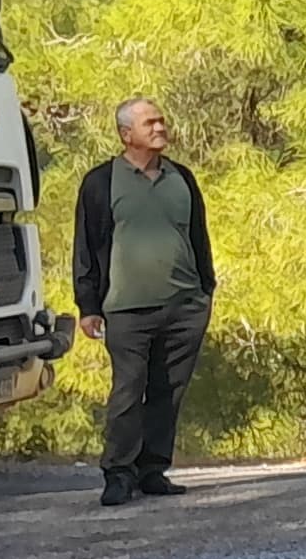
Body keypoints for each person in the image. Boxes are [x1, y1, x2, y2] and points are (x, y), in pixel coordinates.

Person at [73, 95, 216, 508]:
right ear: (125, 134)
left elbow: (197, 237)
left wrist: (205, 289)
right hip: (126, 309)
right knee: (127, 391)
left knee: (168, 390)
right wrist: (88, 306)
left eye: (161, 120)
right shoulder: (102, 182)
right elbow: (86, 245)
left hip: (185, 306)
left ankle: (152, 470)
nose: (159, 127)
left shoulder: (182, 178)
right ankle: (118, 473)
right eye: (149, 122)